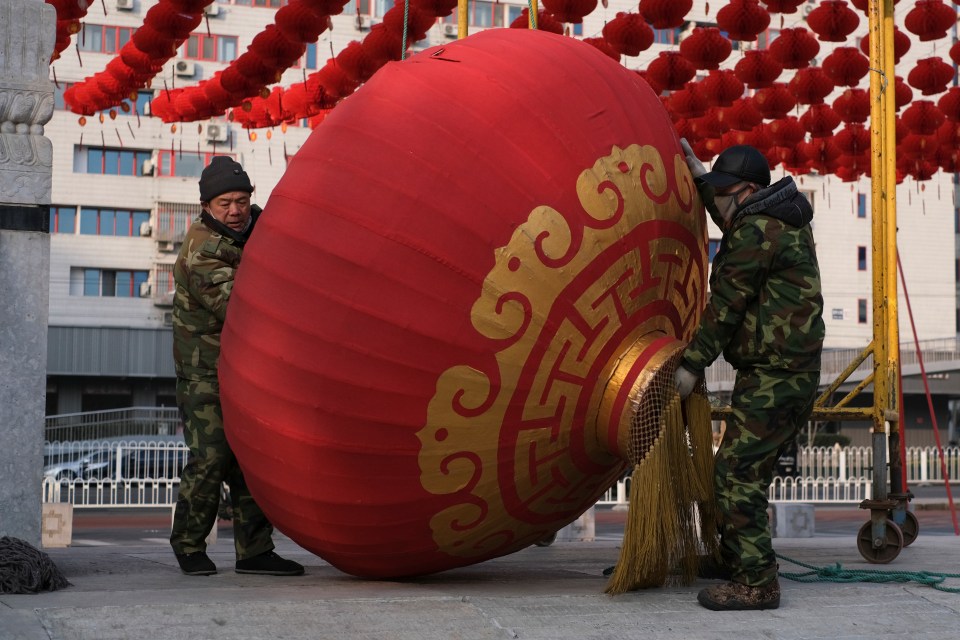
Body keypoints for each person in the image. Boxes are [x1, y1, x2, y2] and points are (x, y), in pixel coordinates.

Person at [675, 141, 825, 611]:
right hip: (786, 373)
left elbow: (724, 308)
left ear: (747, 191)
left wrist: (690, 365)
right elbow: (730, 220)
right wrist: (702, 176)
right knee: (745, 472)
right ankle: (736, 557)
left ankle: (757, 583)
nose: (719, 201)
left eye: (723, 191)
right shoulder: (774, 220)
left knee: (736, 473)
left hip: (775, 375)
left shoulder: (757, 230)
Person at [170, 156, 304, 577]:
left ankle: (254, 552)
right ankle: (189, 545)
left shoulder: (262, 227)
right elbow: (241, 308)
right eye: (225, 202)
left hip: (252, 370)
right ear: (207, 206)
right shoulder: (201, 250)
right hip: (205, 372)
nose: (235, 210)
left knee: (252, 460)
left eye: (242, 200)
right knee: (210, 459)